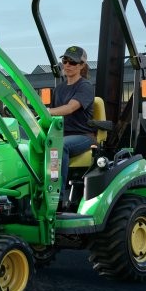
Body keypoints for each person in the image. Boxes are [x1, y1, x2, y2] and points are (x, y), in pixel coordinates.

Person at [48, 45, 96, 198]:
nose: (67, 65)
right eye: (65, 60)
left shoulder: (85, 86)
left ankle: (57, 196)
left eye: (72, 62)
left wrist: (46, 112)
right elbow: (52, 117)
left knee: (59, 147)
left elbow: (69, 108)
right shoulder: (59, 89)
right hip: (61, 134)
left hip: (83, 136)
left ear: (81, 66)